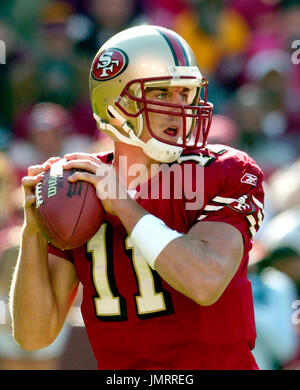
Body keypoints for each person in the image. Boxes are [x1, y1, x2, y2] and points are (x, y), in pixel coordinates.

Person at [9, 25, 265, 370]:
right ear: (116, 105)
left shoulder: (224, 170)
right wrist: (34, 232)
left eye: (186, 94)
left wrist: (124, 204)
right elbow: (34, 335)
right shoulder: (79, 185)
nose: (180, 107)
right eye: (162, 94)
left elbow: (205, 281)